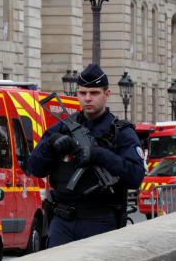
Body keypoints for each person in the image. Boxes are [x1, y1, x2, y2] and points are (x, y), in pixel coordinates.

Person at [27, 64, 146, 247]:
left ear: (107, 94)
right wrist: (51, 145)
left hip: (100, 220)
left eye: (94, 93)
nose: (88, 98)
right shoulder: (62, 128)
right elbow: (34, 167)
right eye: (83, 93)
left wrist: (99, 154)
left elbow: (135, 176)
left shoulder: (121, 132)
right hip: (62, 221)